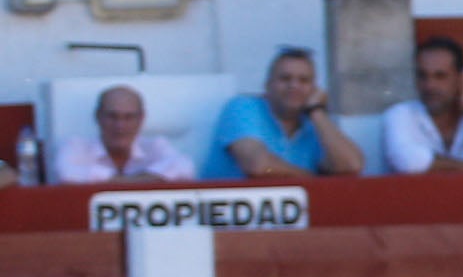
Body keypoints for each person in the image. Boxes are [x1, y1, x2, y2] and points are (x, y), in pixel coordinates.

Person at [210, 44, 366, 178]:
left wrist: (316, 111)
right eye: (285, 78)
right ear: (267, 85)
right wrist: (313, 180)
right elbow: (258, 165)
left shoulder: (315, 125)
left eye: (303, 80)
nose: (294, 86)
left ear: (314, 89)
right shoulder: (243, 107)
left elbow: (352, 165)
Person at [382, 33, 463, 173]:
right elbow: (408, 162)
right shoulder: (401, 115)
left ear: (460, 79)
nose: (429, 85)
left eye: (440, 76)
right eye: (422, 76)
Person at [53, 82, 190, 183]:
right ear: (98, 116)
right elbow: (66, 173)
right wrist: (144, 180)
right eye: (113, 117)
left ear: (141, 119)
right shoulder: (76, 147)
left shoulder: (155, 145)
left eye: (128, 117)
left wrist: (115, 181)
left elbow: (184, 167)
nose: (120, 126)